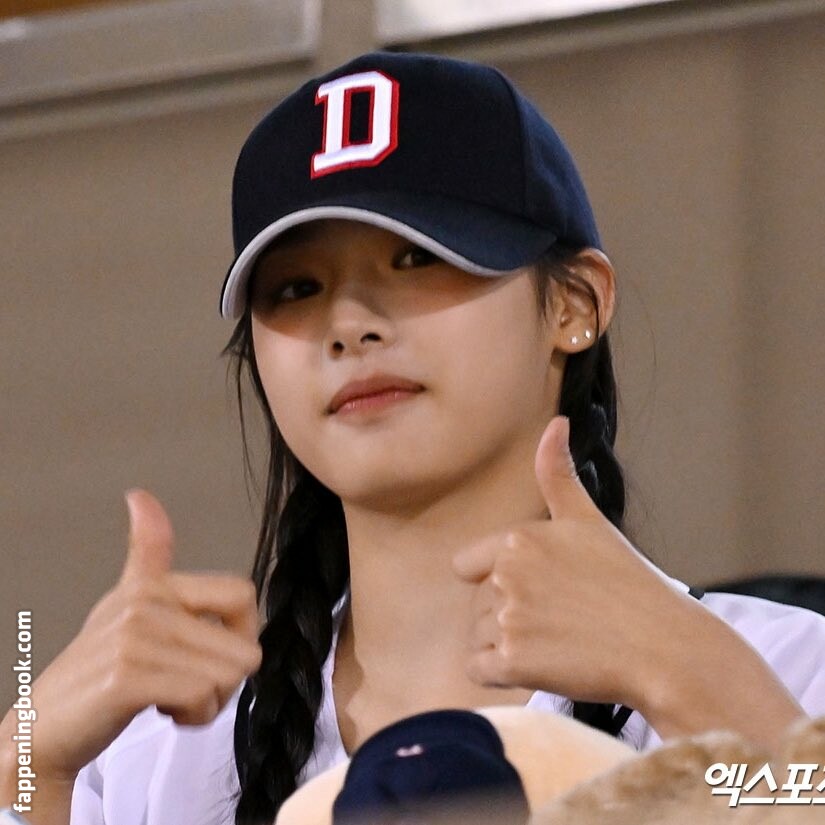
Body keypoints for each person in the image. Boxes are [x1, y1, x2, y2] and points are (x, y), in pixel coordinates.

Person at [2, 51, 824, 825]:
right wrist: (26, 762)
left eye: (416, 258)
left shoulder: (791, 668)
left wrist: (686, 675)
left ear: (574, 303)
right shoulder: (159, 756)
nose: (349, 323)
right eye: (296, 287)